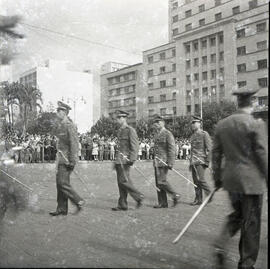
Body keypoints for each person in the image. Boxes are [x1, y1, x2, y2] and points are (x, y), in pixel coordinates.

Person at [211, 89, 268, 269]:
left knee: (237, 216)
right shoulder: (256, 123)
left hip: (231, 181)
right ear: (253, 102)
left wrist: (217, 178)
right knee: (251, 224)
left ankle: (220, 244)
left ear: (238, 103)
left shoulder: (223, 124)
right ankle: (246, 264)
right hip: (251, 182)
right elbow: (262, 153)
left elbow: (216, 154)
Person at [49, 101, 84, 216]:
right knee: (60, 184)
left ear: (65, 112)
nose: (57, 112)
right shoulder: (60, 126)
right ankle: (62, 208)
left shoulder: (70, 126)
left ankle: (78, 200)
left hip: (67, 160)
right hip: (61, 159)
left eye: (60, 111)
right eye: (57, 110)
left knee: (62, 182)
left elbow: (74, 144)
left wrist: (73, 161)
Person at [112, 110, 144, 211]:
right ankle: (122, 204)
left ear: (124, 118)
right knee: (120, 183)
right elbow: (119, 147)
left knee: (123, 181)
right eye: (117, 118)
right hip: (119, 160)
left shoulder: (130, 130)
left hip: (125, 160)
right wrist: (116, 161)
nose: (117, 120)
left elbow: (135, 145)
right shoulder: (120, 131)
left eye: (119, 118)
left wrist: (132, 158)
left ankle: (138, 196)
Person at [152, 115, 180, 208]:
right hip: (157, 162)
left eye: (158, 122)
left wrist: (171, 162)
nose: (156, 124)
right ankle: (162, 202)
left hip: (164, 162)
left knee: (161, 181)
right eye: (155, 122)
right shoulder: (156, 134)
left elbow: (172, 148)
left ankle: (175, 195)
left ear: (163, 123)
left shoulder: (168, 133)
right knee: (158, 183)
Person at [189, 115, 212, 206]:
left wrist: (207, 162)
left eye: (195, 123)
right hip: (194, 162)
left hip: (201, 161)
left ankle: (210, 194)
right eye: (192, 123)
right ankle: (198, 199)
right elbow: (192, 150)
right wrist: (190, 163)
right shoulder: (193, 136)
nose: (193, 125)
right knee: (196, 182)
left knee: (201, 180)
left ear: (200, 123)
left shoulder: (204, 134)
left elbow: (210, 149)